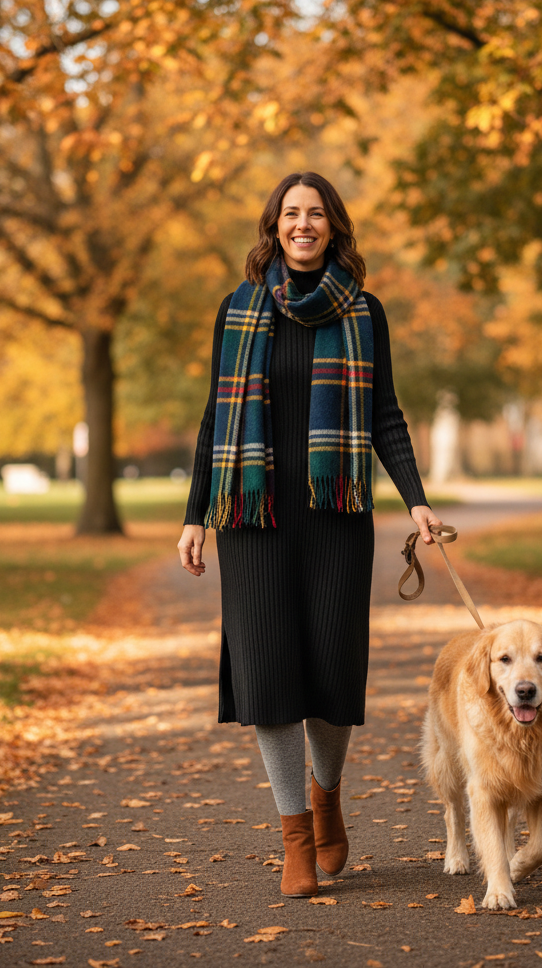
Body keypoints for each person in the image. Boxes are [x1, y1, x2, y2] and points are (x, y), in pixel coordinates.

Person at [177, 171, 440, 899]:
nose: (302, 224)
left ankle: (327, 794)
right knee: (267, 673)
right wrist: (195, 515)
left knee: (329, 671)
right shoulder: (237, 310)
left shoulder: (363, 312)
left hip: (335, 517)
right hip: (253, 518)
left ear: (333, 227)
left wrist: (416, 501)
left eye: (315, 213)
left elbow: (384, 413)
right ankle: (295, 832)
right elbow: (215, 420)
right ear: (274, 226)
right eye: (290, 213)